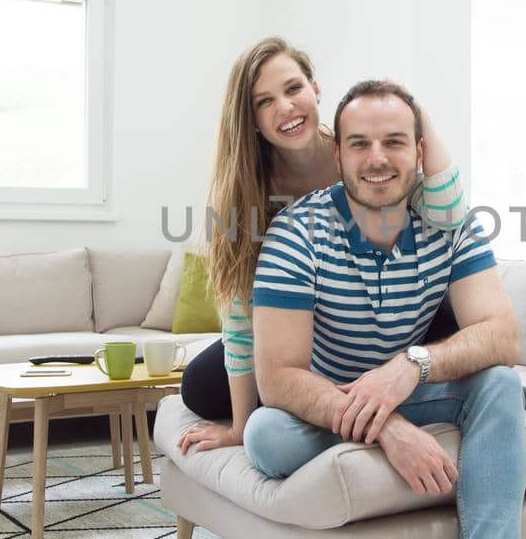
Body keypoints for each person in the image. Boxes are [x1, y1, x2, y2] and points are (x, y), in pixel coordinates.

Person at [241, 79, 526, 539]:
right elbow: (278, 376)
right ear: (337, 157)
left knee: (496, 378)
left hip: (408, 382)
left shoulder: (452, 227)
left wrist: (411, 366)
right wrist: (386, 427)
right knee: (266, 437)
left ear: (420, 151)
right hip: (326, 400)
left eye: (394, 141)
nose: (377, 158)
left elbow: (503, 336)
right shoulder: (295, 234)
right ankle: (469, 418)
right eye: (360, 143)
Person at [176, 37, 466, 454]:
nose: (285, 107)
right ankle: (332, 398)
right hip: (298, 326)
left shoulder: (363, 150)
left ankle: (435, 401)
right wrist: (240, 428)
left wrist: (414, 107)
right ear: (250, 120)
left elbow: (450, 213)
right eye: (264, 102)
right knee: (200, 386)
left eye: (293, 89)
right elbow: (240, 316)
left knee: (455, 327)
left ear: (316, 88)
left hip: (389, 315)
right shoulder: (248, 196)